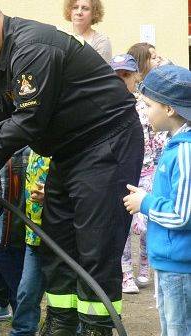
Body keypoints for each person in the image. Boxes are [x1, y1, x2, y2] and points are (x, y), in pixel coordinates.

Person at [0, 1, 144, 335]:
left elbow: (29, 121)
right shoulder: (5, 57)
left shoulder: (33, 47)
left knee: (94, 247)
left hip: (107, 144)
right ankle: (62, 326)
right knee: (57, 244)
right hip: (69, 152)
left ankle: (96, 328)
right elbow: (6, 119)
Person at [123, 65, 191, 336]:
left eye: (149, 105)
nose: (145, 111)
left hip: (179, 267)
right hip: (168, 263)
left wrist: (146, 203)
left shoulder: (184, 151)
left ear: (170, 109)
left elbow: (182, 214)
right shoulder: (174, 145)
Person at [109, 54, 165, 294]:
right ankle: (125, 274)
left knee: (145, 226)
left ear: (136, 77)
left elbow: (158, 137)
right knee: (122, 225)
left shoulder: (145, 106)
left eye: (126, 75)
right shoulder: (106, 106)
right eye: (117, 75)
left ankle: (144, 268)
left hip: (147, 172)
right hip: (120, 174)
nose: (122, 80)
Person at [10, 151, 49, 336]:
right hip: (33, 236)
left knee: (67, 295)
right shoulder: (30, 149)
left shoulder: (69, 144)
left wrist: (51, 194)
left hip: (62, 237)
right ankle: (22, 331)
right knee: (26, 292)